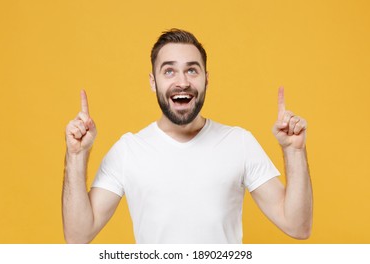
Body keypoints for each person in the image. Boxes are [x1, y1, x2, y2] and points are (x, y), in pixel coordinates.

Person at [62, 29, 313, 244]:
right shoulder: (128, 150)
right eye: (169, 71)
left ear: (206, 79)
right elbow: (78, 235)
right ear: (153, 81)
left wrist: (294, 151)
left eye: (192, 71)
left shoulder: (239, 143)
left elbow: (297, 226)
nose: (182, 82)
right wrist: (76, 155)